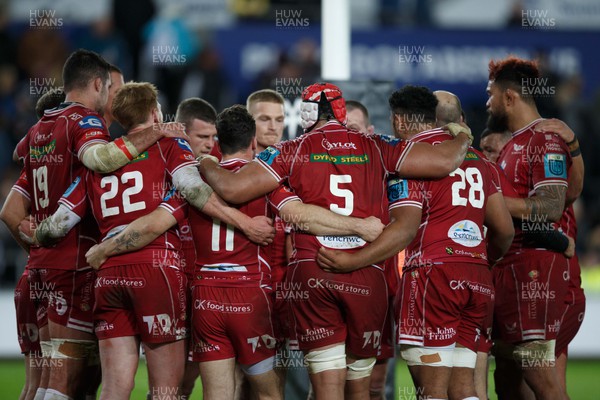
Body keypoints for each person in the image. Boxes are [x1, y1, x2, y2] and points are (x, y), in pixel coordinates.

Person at [197, 82, 472, 399]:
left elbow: (230, 189)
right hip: (367, 274)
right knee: (362, 389)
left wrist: (204, 160)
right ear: (341, 111)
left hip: (315, 271)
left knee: (326, 388)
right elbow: (444, 162)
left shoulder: (291, 149)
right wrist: (462, 133)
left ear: (306, 113)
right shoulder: (376, 145)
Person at [318, 85, 514, 400]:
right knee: (464, 390)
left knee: (431, 392)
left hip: (432, 277)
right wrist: (479, 259)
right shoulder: (479, 161)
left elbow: (405, 230)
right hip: (477, 279)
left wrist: (353, 261)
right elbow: (504, 231)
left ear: (399, 121)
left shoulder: (408, 160)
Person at [15, 49, 188, 400]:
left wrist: (35, 237)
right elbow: (103, 159)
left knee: (52, 383)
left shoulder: (39, 128)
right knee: (76, 383)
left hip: (52, 268)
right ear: (98, 84)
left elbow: (15, 210)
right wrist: (160, 133)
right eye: (110, 88)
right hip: (83, 266)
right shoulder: (89, 124)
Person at [487, 56, 572, 400]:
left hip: (533, 272)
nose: (487, 102)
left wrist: (487, 201)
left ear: (510, 97)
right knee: (507, 376)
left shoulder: (545, 140)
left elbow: (551, 207)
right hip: (510, 268)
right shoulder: (512, 145)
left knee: (540, 379)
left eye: (491, 94)